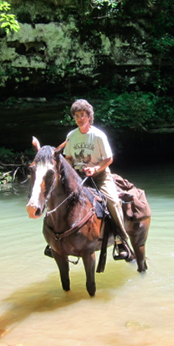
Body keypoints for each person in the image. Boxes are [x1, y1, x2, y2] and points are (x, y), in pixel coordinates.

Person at [46, 99, 132, 261]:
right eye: (76, 116)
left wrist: (94, 169)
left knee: (112, 201)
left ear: (89, 116)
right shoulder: (71, 136)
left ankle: (121, 240)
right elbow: (69, 158)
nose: (79, 119)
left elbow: (109, 159)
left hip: (99, 175)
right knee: (56, 199)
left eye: (82, 115)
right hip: (77, 176)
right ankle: (54, 242)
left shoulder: (98, 136)